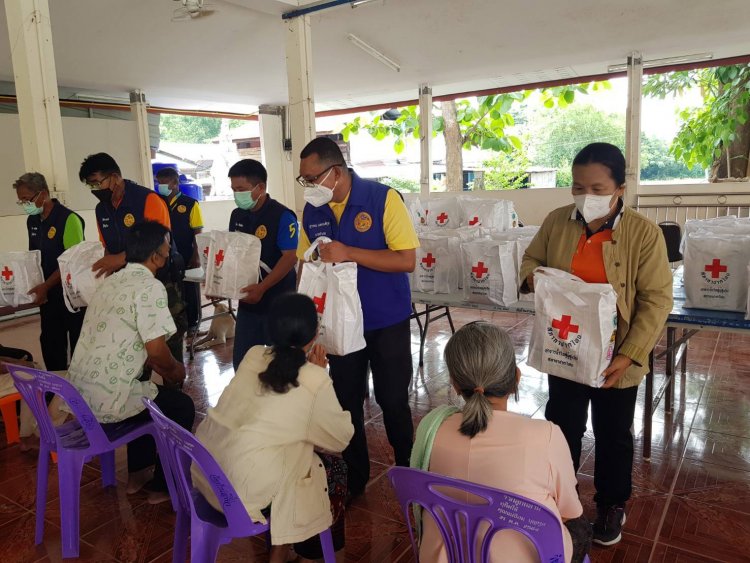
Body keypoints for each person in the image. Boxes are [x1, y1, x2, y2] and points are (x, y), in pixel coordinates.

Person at [519, 142, 673, 546]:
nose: (587, 196)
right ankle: (561, 498)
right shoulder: (556, 222)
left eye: (598, 188)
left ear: (620, 188)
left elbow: (656, 299)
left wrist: (628, 355)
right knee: (562, 426)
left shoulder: (643, 233)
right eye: (577, 187)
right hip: (565, 348)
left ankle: (611, 503)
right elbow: (530, 260)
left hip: (615, 357)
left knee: (613, 433)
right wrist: (536, 278)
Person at [296, 137, 418, 498]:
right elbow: (307, 264)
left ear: (335, 173)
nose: (307, 188)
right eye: (303, 180)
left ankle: (409, 471)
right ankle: (355, 478)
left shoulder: (382, 200)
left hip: (385, 319)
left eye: (310, 179)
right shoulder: (313, 211)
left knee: (392, 398)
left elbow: (406, 260)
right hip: (339, 324)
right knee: (347, 400)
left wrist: (350, 252)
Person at [192, 293, 353, 563]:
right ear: (314, 335)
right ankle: (315, 556)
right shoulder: (314, 378)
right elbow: (341, 439)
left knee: (293, 448)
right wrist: (319, 375)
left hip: (208, 475)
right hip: (242, 496)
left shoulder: (254, 355)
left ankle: (279, 553)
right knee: (332, 470)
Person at [411, 322, 591, 563]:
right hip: (523, 557)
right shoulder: (546, 436)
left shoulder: (431, 428)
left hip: (444, 556)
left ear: (454, 383)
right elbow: (569, 512)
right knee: (581, 528)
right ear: (516, 377)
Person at [66, 221, 195, 504]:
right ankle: (164, 485)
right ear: (156, 257)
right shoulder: (150, 287)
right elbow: (157, 352)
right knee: (179, 406)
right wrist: (177, 372)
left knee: (143, 390)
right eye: (166, 247)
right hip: (107, 402)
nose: (169, 251)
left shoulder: (111, 281)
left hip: (79, 398)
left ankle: (137, 473)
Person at [78, 153, 188, 366]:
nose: (95, 190)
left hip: (162, 281)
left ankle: (174, 388)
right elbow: (107, 248)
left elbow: (159, 245)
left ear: (115, 177)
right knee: (133, 337)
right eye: (90, 186)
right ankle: (140, 389)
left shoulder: (147, 200)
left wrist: (119, 260)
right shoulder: (102, 209)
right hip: (128, 286)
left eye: (97, 183)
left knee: (168, 337)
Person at [226, 159, 299, 370]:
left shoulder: (282, 216)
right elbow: (234, 252)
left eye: (241, 189)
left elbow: (290, 257)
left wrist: (262, 287)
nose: (236, 194)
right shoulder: (237, 215)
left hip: (278, 302)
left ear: (260, 187)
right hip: (249, 302)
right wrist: (220, 283)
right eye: (233, 189)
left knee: (282, 365)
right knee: (244, 364)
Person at [13, 172, 86, 371]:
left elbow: (70, 262)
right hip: (48, 296)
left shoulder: (69, 219)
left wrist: (45, 286)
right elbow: (34, 257)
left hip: (71, 295)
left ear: (43, 194)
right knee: (51, 343)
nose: (25, 205)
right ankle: (55, 390)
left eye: (27, 200)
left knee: (79, 344)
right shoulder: (33, 221)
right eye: (21, 202)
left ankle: (81, 391)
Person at [155, 167, 204, 331]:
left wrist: (196, 255)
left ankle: (192, 323)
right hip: (164, 255)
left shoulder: (190, 204)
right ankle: (173, 324)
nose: (160, 185)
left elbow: (198, 232)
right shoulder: (158, 202)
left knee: (189, 289)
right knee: (170, 289)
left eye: (163, 182)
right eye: (158, 182)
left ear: (175, 183)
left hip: (186, 253)